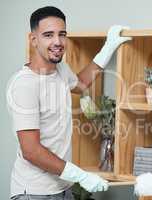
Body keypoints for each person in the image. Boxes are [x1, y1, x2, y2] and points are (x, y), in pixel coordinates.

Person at [6, 6, 131, 200]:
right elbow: (31, 151)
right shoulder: (24, 85)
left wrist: (108, 48)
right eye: (48, 35)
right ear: (33, 39)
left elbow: (81, 84)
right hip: (34, 193)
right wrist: (80, 175)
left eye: (62, 34)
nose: (57, 42)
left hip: (62, 189)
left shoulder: (61, 70)